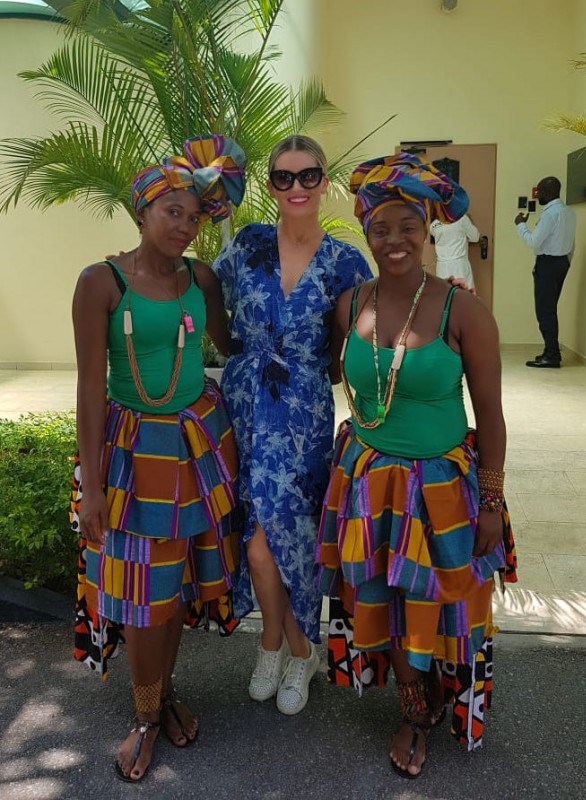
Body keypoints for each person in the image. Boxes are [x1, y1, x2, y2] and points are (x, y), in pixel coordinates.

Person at [316, 152, 517, 778]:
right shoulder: (350, 305)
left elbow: (492, 417)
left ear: (428, 228)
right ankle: (411, 709)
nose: (394, 239)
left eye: (408, 225)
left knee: (437, 602)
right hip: (368, 480)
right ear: (366, 233)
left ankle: (433, 697)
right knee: (385, 595)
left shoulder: (465, 312)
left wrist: (491, 504)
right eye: (380, 228)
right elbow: (323, 368)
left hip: (441, 487)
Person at [70, 134, 245, 782]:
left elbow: (233, 344)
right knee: (144, 592)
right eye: (172, 211)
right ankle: (145, 717)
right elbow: (90, 388)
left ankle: (164, 694)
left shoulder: (200, 278)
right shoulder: (101, 282)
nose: (184, 226)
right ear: (141, 211)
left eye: (194, 216)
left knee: (172, 587)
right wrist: (92, 486)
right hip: (132, 451)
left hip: (195, 446)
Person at [211, 135, 373, 715]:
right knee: (256, 541)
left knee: (282, 541)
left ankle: (295, 648)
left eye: (308, 176)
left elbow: (357, 341)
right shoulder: (248, 243)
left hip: (302, 415)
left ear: (324, 182)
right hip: (245, 406)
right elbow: (202, 290)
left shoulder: (346, 263)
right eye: (284, 177)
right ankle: (279, 646)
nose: (297, 187)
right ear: (271, 184)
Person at [514, 176, 576, 368]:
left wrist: (520, 224)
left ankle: (551, 355)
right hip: (562, 263)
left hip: (548, 264)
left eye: (539, 191)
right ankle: (551, 351)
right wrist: (566, 262)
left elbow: (533, 241)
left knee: (545, 311)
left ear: (548, 193)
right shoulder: (569, 212)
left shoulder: (550, 214)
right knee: (550, 309)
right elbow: (571, 243)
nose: (537, 194)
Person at [430, 213, 480, 289]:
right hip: (459, 266)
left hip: (442, 268)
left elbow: (434, 234)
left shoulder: (434, 224)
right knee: (464, 293)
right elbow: (475, 237)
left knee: (444, 293)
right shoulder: (462, 219)